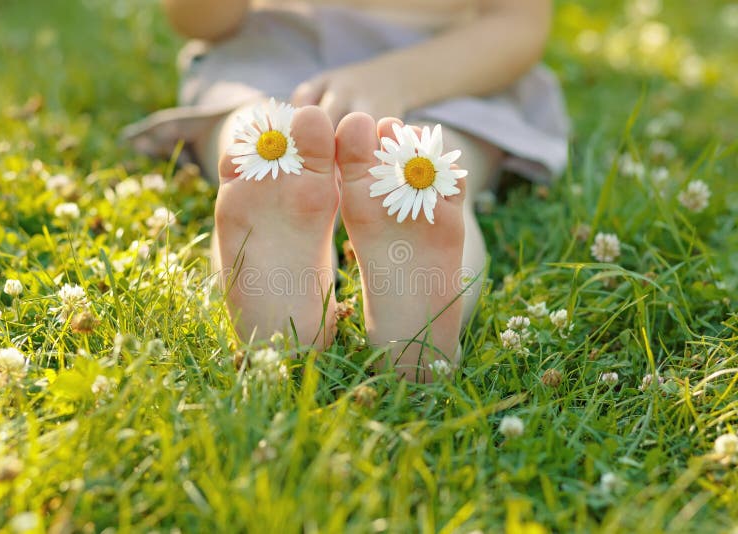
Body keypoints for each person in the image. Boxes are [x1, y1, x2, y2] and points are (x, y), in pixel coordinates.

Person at [123, 0, 569, 381]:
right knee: (260, 140)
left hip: (449, 68)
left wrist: (397, 78)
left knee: (427, 162)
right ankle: (281, 294)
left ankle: (410, 316)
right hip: (274, 53)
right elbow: (197, 19)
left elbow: (517, 23)